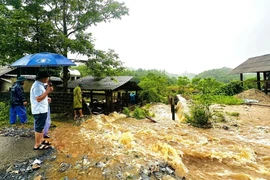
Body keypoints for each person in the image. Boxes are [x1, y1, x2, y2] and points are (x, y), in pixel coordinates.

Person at [30, 71, 53, 150]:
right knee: (39, 127)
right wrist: (47, 92)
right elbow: (38, 98)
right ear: (43, 78)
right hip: (39, 110)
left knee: (42, 126)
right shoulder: (37, 86)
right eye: (47, 78)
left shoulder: (40, 85)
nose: (47, 79)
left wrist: (47, 98)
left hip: (42, 109)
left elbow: (41, 96)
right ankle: (37, 144)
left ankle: (41, 140)